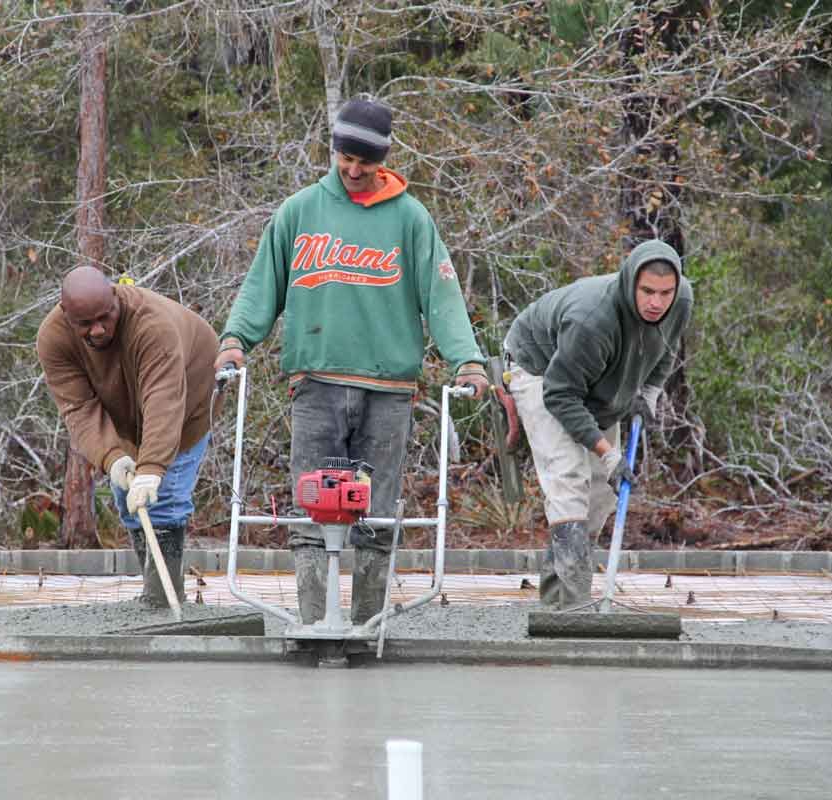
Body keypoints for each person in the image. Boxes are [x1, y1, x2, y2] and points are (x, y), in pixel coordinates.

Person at [214, 98, 490, 625]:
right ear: (334, 149)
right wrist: (235, 341)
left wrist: (467, 361)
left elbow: (442, 295)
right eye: (346, 157)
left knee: (377, 512)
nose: (354, 170)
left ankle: (365, 623)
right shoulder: (300, 211)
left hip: (389, 389)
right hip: (315, 384)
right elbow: (261, 286)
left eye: (365, 161)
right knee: (312, 507)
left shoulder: (410, 218)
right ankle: (315, 621)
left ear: (382, 158)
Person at [503, 239, 694, 610]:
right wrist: (607, 453)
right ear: (630, 283)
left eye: (665, 293)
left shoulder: (680, 300)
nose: (656, 303)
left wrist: (650, 392)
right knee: (569, 476)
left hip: (596, 377)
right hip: (540, 367)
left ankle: (558, 590)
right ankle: (571, 606)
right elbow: (560, 396)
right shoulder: (593, 319)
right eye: (647, 292)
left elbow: (666, 350)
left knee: (603, 492)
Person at [36, 266, 219, 608]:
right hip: (125, 414)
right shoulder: (54, 339)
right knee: (128, 499)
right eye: (86, 324)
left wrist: (151, 469)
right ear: (67, 315)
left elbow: (163, 401)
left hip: (188, 399)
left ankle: (163, 597)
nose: (99, 329)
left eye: (106, 317)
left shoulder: (152, 325)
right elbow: (79, 408)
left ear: (115, 296)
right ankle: (155, 588)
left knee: (163, 497)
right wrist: (112, 456)